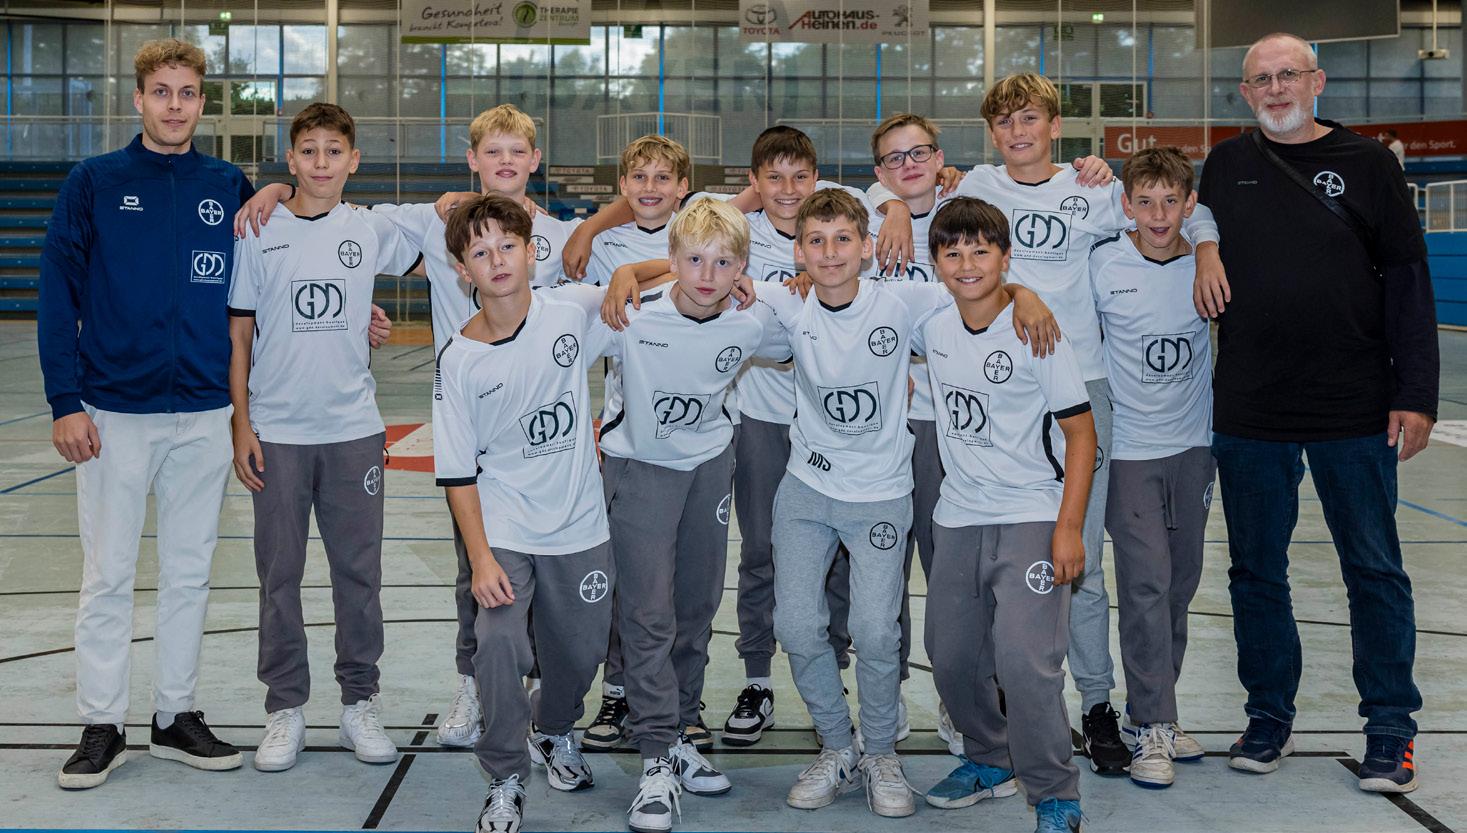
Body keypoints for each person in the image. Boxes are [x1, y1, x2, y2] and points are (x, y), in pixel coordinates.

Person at [39, 38, 392, 790]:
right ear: (138, 99)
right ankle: (102, 722)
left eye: (188, 93)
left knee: (190, 572)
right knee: (108, 574)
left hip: (205, 411)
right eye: (161, 92)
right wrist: (65, 401)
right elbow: (56, 294)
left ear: (203, 102)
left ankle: (175, 714)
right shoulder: (93, 181)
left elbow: (291, 246)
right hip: (112, 409)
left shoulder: (227, 183)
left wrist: (278, 195)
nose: (175, 106)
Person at [868, 76, 1222, 776]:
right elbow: (900, 197)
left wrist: (1205, 246)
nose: (1017, 131)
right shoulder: (976, 185)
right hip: (998, 391)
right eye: (1003, 121)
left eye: (1029, 117)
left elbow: (1180, 208)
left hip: (1079, 386)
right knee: (1005, 552)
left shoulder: (1091, 187)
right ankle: (1010, 702)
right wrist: (894, 207)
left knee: (1078, 557)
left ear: (1055, 125)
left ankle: (1096, 702)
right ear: (989, 132)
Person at [236, 103, 582, 749]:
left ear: (535, 160)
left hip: (546, 436)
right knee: (475, 567)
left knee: (553, 570)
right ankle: (473, 683)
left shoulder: (562, 237)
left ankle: (546, 697)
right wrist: (276, 189)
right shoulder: (434, 221)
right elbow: (324, 216)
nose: (505, 161)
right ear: (472, 160)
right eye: (492, 151)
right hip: (470, 430)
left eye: (517, 151)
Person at [1194, 32, 1438, 793]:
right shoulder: (1225, 164)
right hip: (1251, 406)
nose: (1275, 89)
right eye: (1260, 79)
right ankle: (1268, 715)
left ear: (1316, 81)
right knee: (1254, 573)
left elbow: (1407, 279)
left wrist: (1415, 394)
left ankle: (1390, 727)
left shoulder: (1369, 164)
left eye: (1287, 75)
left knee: (1373, 568)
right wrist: (1204, 248)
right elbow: (1186, 223)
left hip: (1352, 404)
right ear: (1244, 93)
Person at [226, 103, 421, 773]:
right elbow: (240, 335)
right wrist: (241, 421)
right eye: (307, 151)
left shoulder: (368, 229)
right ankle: (284, 706)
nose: (320, 163)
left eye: (333, 151)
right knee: (278, 576)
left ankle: (359, 702)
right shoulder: (258, 229)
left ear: (353, 160)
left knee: (357, 576)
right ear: (291, 159)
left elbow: (448, 248)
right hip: (277, 431)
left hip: (352, 431)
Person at [595, 199, 788, 833]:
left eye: (724, 263)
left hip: (708, 470)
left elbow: (822, 319)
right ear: (672, 259)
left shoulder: (751, 323)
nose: (708, 275)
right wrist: (627, 273)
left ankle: (678, 730)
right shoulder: (629, 314)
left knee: (696, 607)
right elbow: (539, 322)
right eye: (695, 259)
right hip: (640, 470)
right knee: (647, 613)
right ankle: (654, 755)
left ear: (743, 267)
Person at [434, 195, 616, 833]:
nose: (497, 260)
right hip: (506, 525)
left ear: (531, 252)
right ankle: (505, 775)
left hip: (579, 523)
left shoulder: (569, 311)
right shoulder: (459, 359)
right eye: (480, 252)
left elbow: (659, 279)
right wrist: (481, 558)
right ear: (464, 270)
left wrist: (627, 272)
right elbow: (458, 473)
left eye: (507, 246)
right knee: (498, 644)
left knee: (582, 651)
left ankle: (554, 727)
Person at [916, 197, 1095, 833]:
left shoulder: (1036, 333)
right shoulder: (932, 326)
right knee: (950, 654)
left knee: (1024, 662)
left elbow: (1081, 435)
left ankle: (1054, 792)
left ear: (1005, 257)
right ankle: (991, 758)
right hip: (959, 515)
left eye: (981, 250)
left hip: (1031, 513)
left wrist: (1068, 527)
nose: (967, 263)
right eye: (952, 252)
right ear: (936, 261)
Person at [1089, 147, 1215, 789]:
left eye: (1171, 201)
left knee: (1180, 585)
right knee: (1145, 584)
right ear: (1126, 206)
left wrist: (1208, 243)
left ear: (1189, 204)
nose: (1159, 215)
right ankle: (1151, 722)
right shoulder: (1103, 262)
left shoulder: (1206, 260)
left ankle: (1159, 711)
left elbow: (1211, 221)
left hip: (1194, 448)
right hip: (1130, 451)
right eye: (1145, 202)